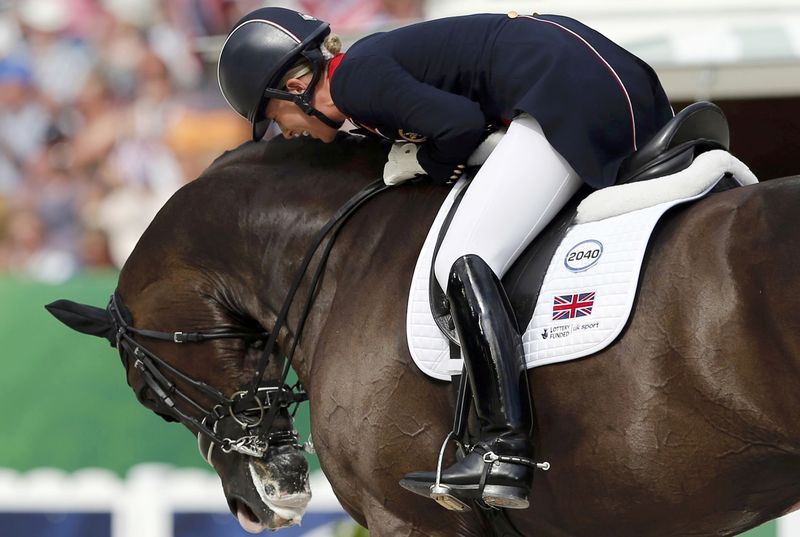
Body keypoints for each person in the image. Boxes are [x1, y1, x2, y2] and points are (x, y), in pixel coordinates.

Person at [217, 7, 674, 510]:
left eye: (272, 116)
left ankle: (503, 447)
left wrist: (424, 162)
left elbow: (459, 126)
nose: (282, 131)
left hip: (565, 91)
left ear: (296, 85)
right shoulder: (365, 78)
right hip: (606, 77)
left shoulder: (355, 83)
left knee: (461, 258)